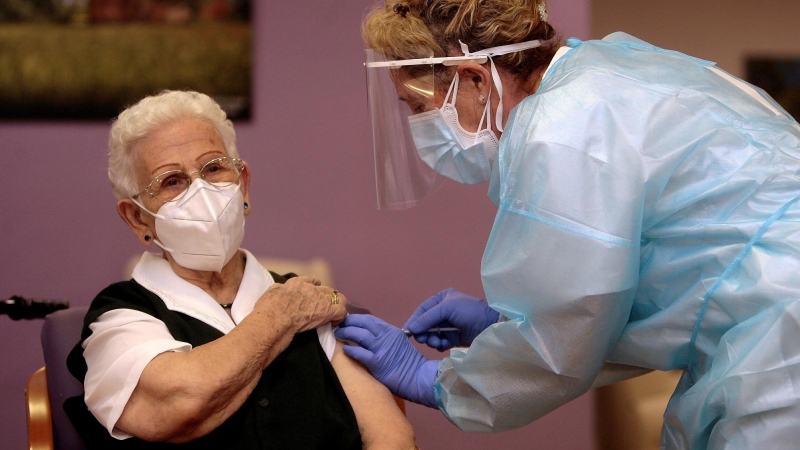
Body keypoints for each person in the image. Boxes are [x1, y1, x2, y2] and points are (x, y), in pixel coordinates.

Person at [333, 0, 800, 448]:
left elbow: (566, 333)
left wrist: (437, 381)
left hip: (782, 342)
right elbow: (628, 286)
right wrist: (508, 322)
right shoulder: (608, 68)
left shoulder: (562, 126)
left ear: (474, 79)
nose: (419, 125)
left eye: (418, 107)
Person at [65, 90, 416, 449]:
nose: (200, 190)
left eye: (214, 168)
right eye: (172, 181)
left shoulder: (306, 301)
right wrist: (277, 318)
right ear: (137, 217)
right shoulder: (120, 318)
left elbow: (390, 435)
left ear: (242, 184)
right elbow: (180, 403)